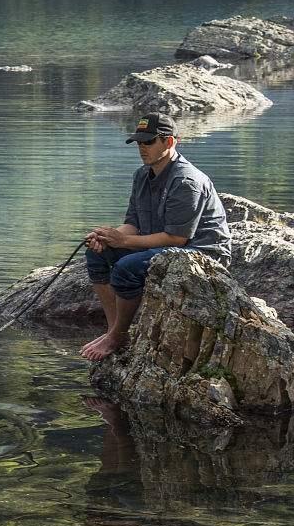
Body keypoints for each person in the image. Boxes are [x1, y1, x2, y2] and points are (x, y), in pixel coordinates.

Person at [80, 113, 231, 361]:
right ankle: (114, 330)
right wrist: (108, 237)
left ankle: (117, 335)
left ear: (169, 142)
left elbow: (177, 239)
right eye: (139, 142)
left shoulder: (186, 181)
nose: (142, 148)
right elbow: (133, 224)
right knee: (97, 254)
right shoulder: (141, 175)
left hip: (202, 253)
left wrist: (124, 241)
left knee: (125, 269)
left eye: (148, 142)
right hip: (166, 245)